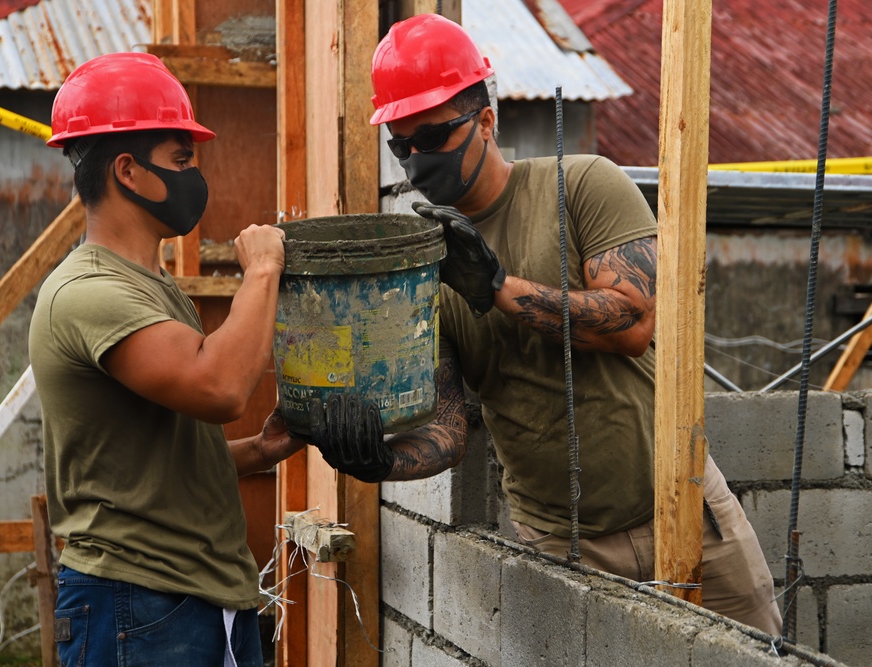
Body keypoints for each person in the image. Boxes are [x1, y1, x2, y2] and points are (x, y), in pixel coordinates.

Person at [308, 13, 782, 635]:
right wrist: (379, 463)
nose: (418, 158)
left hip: (684, 511)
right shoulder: (428, 272)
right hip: (562, 547)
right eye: (403, 144)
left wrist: (499, 287)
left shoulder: (582, 185)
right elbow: (452, 426)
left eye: (433, 137)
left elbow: (633, 321)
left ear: (485, 122)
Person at [29, 52, 305, 667]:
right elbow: (221, 387)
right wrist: (263, 267)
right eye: (181, 160)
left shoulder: (148, 285)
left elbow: (147, 471)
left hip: (186, 602)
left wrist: (258, 452)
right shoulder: (90, 294)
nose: (193, 176)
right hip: (137, 606)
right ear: (127, 169)